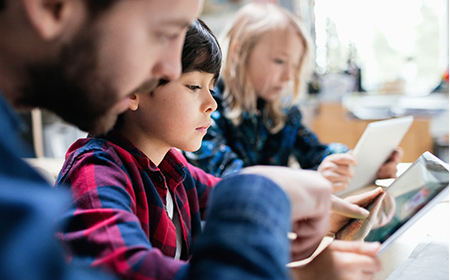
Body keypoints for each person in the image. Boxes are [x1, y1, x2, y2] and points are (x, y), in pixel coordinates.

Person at [0, 1, 380, 280]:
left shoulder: (173, 169)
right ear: (52, 6)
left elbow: (225, 194)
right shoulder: (96, 168)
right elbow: (129, 270)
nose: (163, 69)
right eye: (161, 35)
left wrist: (328, 211)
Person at [183, 3, 402, 193]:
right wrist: (313, 179)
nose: (289, 76)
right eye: (279, 61)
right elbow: (229, 176)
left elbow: (316, 153)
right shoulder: (207, 107)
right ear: (240, 52)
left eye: (295, 66)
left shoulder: (282, 112)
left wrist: (355, 161)